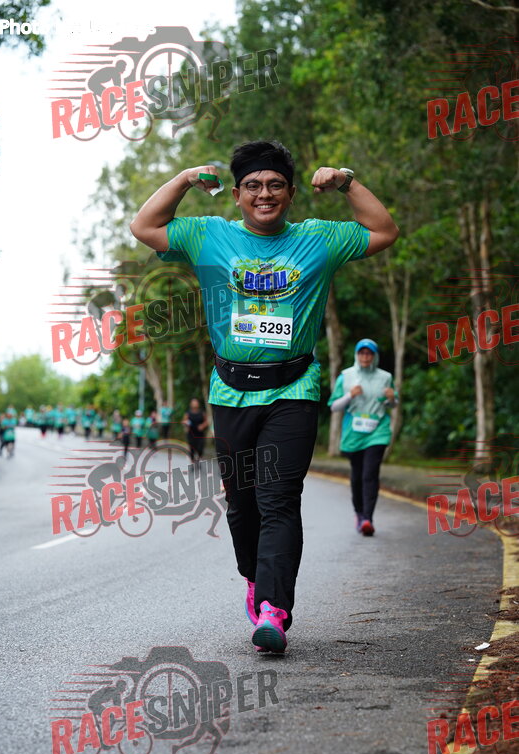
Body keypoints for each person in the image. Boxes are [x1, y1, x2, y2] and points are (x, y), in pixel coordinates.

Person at [130, 139, 398, 653]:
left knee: (279, 498)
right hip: (230, 392)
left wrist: (346, 182)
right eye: (252, 185)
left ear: (291, 193)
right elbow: (144, 226)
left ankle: (274, 609)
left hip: (293, 390)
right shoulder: (207, 235)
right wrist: (184, 179)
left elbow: (384, 231)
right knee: (242, 505)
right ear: (236, 195)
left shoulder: (318, 238)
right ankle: (256, 578)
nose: (264, 194)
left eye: (275, 185)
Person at [328, 339, 398, 536]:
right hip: (354, 433)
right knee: (357, 476)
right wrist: (350, 395)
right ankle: (359, 513)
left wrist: (391, 398)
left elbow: (393, 404)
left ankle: (368, 518)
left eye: (369, 353)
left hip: (377, 432)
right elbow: (333, 406)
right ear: (356, 355)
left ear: (375, 356)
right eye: (362, 353)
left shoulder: (385, 377)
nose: (365, 357)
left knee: (370, 474)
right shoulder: (346, 376)